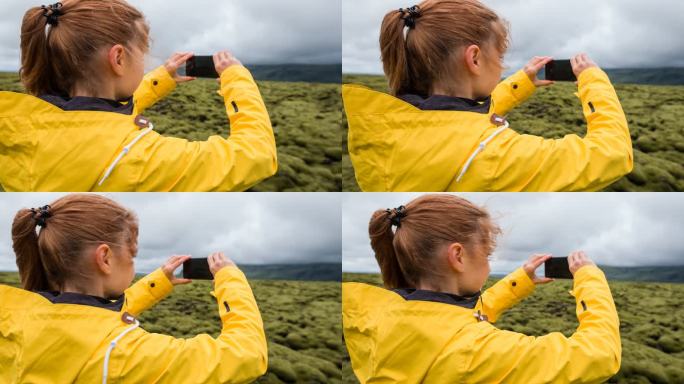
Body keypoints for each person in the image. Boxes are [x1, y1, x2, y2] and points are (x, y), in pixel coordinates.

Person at [343, 0, 633, 192]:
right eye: (500, 55)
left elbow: (455, 122)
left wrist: (521, 83)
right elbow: (612, 154)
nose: (503, 65)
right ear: (475, 59)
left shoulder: (384, 131)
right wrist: (593, 81)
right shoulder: (497, 157)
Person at [0, 0, 277, 192]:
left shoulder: (16, 122)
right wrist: (236, 78)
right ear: (118, 58)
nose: (144, 62)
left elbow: (95, 121)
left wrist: (160, 80)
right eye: (141, 52)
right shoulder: (142, 161)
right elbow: (257, 156)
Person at [343, 194, 621, 383]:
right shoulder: (480, 352)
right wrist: (590, 279)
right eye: (487, 255)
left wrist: (518, 282)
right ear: (458, 256)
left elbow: (444, 323)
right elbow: (599, 354)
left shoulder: (363, 309)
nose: (488, 267)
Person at [0, 194, 267, 383]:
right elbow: (246, 355)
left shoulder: (11, 316)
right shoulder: (125, 355)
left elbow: (87, 321)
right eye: (132, 254)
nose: (133, 262)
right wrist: (230, 279)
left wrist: (158, 282)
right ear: (105, 258)